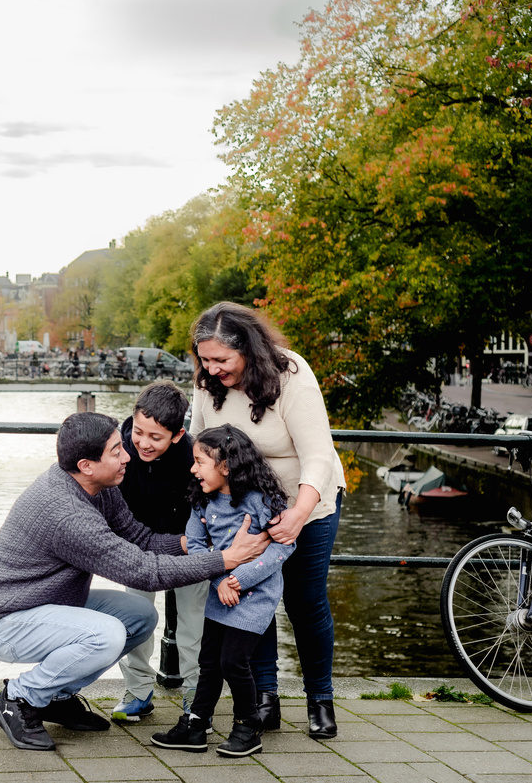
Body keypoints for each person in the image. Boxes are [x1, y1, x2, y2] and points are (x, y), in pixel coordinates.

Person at [0, 411, 270, 752]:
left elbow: (139, 538)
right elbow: (144, 572)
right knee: (107, 635)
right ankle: (19, 698)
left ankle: (55, 696)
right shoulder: (68, 515)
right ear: (86, 464)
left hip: (45, 602)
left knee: (139, 616)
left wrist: (190, 544)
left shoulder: (97, 487)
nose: (128, 455)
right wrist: (225, 559)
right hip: (5, 620)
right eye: (117, 450)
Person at [188, 301, 346, 740]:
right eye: (205, 360)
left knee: (304, 601)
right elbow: (199, 445)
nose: (212, 369)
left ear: (250, 349)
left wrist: (297, 514)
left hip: (306, 503)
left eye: (221, 360)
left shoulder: (290, 374)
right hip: (242, 512)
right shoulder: (207, 382)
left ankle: (320, 699)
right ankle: (265, 698)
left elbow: (318, 454)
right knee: (251, 596)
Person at [151, 425, 295, 757]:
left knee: (233, 662)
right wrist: (220, 583)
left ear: (226, 465)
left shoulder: (262, 500)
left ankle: (248, 727)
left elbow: (283, 547)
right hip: (221, 593)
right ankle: (196, 725)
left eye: (200, 461)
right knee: (209, 661)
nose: (193, 469)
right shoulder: (202, 501)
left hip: (255, 595)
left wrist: (239, 580)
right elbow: (198, 549)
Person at [111, 382, 207, 723]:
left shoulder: (194, 457)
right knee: (136, 619)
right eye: (139, 432)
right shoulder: (120, 451)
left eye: (155, 437)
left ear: (177, 435)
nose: (143, 443)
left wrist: (192, 542)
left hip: (186, 547)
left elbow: (207, 507)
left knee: (192, 626)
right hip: (138, 548)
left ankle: (196, 698)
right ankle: (138, 692)